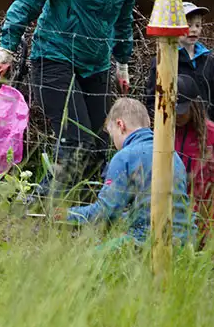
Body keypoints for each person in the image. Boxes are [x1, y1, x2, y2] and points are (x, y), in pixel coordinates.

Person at [0, 0, 153, 193]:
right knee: (76, 143)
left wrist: (123, 62)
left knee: (100, 146)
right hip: (55, 57)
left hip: (98, 61)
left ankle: (84, 213)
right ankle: (41, 207)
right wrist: (7, 47)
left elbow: (124, 15)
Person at [67, 98, 194, 245]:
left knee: (90, 261)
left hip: (147, 242)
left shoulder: (125, 156)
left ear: (120, 125)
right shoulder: (173, 154)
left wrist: (67, 214)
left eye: (111, 134)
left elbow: (104, 213)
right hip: (184, 240)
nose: (113, 142)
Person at [171, 75, 214, 248]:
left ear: (195, 105)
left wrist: (212, 226)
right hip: (172, 217)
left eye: (182, 110)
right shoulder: (163, 133)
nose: (177, 115)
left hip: (203, 216)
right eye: (174, 110)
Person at [144, 2, 214, 125]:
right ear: (175, 28)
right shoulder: (163, 61)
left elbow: (213, 96)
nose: (194, 30)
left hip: (204, 126)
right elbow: (152, 99)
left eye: (198, 25)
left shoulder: (208, 60)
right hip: (175, 127)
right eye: (188, 25)